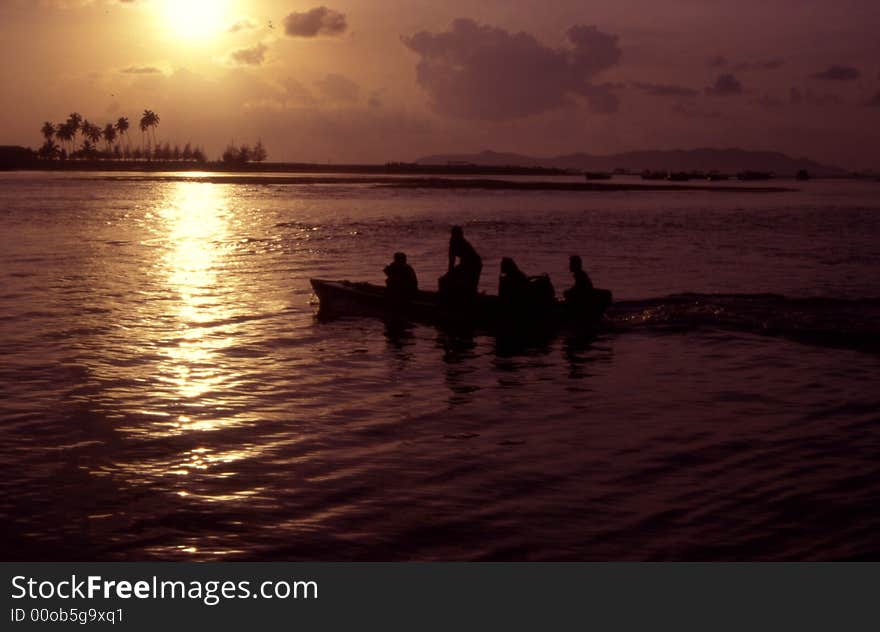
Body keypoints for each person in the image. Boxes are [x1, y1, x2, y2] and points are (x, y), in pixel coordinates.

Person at [438, 225, 482, 300]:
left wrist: (450, 275)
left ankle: (469, 297)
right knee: (448, 279)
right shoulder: (455, 243)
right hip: (468, 264)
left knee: (469, 285)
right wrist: (450, 274)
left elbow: (453, 262)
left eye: (461, 234)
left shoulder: (462, 243)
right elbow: (452, 262)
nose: (461, 236)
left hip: (474, 264)